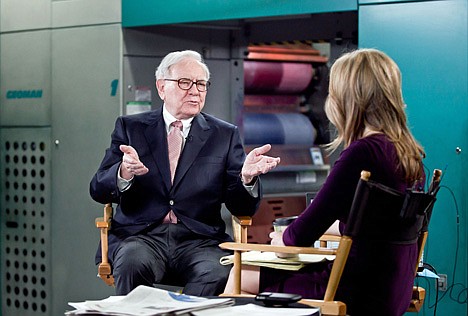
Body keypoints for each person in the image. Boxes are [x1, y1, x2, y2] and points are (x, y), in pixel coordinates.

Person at [224, 48, 425, 316]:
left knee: (243, 271)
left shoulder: (361, 154)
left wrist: (281, 238)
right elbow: (373, 227)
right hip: (391, 289)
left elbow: (296, 240)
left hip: (352, 288)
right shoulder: (410, 155)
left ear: (348, 100)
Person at [90, 50, 280, 296]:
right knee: (131, 263)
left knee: (217, 272)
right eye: (184, 82)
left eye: (201, 84)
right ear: (161, 88)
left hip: (199, 240)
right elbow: (98, 189)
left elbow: (242, 208)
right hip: (142, 236)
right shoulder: (131, 128)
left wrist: (246, 179)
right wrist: (124, 171)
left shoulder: (224, 134)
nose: (195, 90)